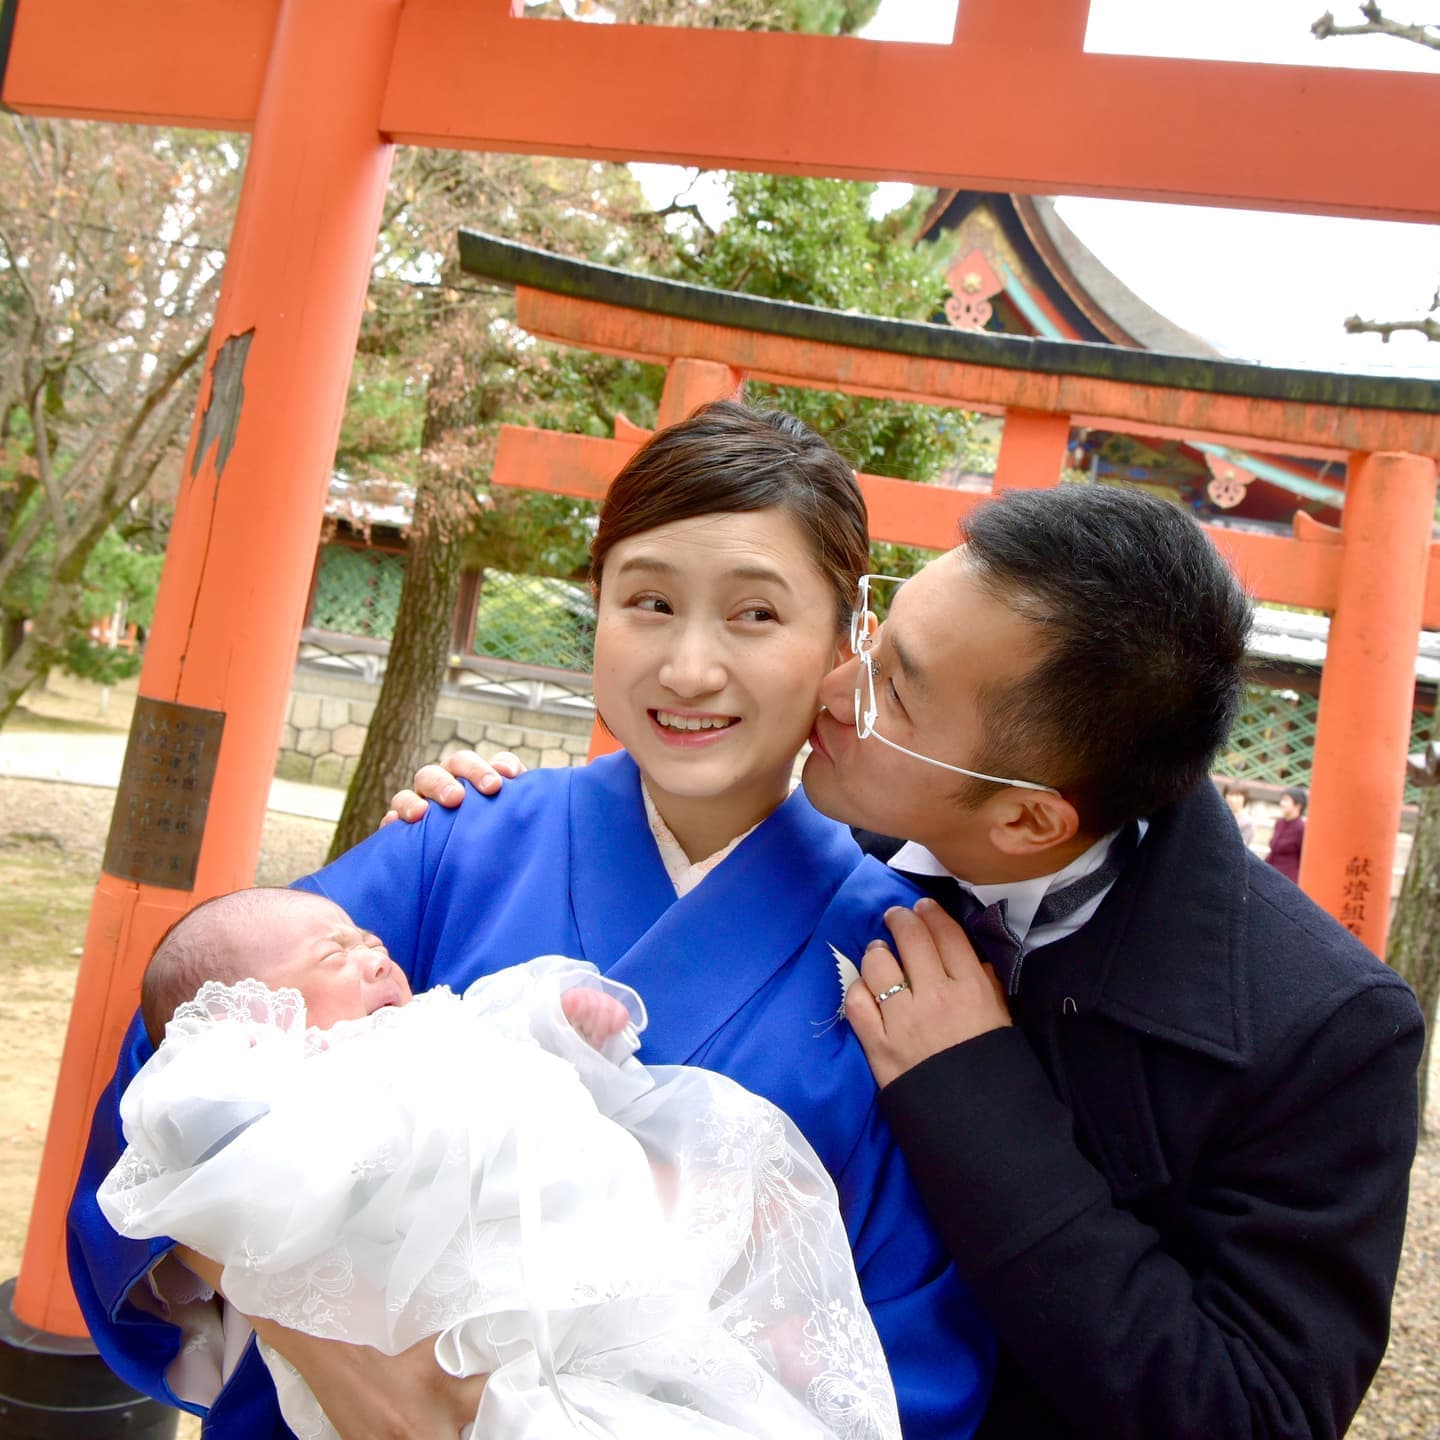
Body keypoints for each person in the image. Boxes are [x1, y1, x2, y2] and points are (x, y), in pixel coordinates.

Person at [403, 484, 1422, 1440]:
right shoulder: (844, 833)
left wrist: (977, 1102)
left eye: (895, 692)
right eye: (874, 643)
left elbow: (1254, 1413)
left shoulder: (1324, 1028)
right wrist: (477, 824)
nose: (838, 691)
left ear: (1028, 817)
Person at [70, 401, 994, 1440]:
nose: (690, 668)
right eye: (647, 601)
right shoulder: (452, 846)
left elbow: (903, 1357)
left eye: (756, 614)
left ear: (845, 642)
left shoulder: (899, 965)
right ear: (594, 604)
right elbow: (171, 1100)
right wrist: (348, 1358)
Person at [99, 887, 900, 1440]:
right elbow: (183, 1140)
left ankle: (772, 1368)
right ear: (253, 1021)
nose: (376, 954)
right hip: (475, 1335)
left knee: (684, 1343)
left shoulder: (439, 1022)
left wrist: (565, 1020)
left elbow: (509, 1017)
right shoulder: (304, 1090)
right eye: (334, 955)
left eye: (371, 940)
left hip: (606, 1260)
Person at [1266, 784, 1307, 883]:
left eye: (1286, 800)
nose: (1282, 803)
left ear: (1298, 805)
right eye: (1282, 800)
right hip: (1270, 874)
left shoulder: (1301, 828)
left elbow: (1303, 858)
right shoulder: (1279, 823)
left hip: (1288, 879)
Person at [1223, 781, 1254, 847]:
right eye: (1230, 795)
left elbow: (1242, 846)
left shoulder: (1248, 822)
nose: (1233, 799)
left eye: (1237, 796)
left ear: (1245, 798)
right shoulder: (1219, 815)